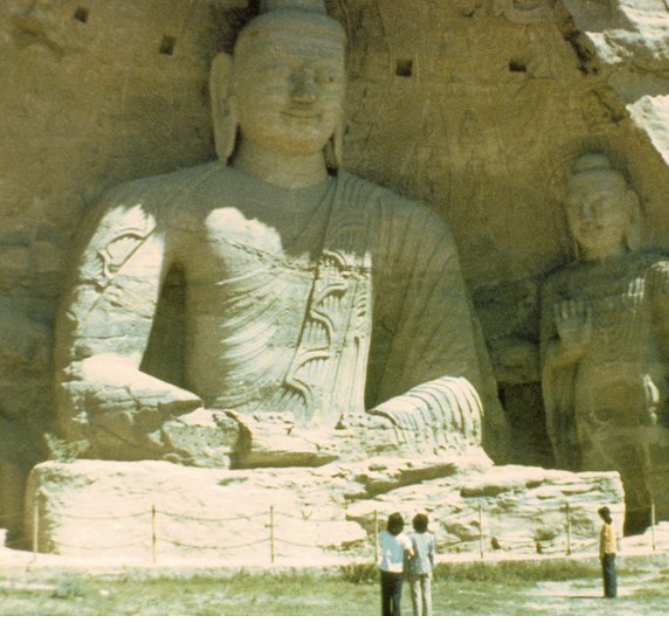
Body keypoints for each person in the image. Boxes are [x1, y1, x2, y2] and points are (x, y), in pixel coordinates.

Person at [53, 0, 504, 465]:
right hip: (213, 457)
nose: (305, 93)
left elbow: (456, 391)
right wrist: (221, 436)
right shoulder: (152, 209)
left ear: (347, 93)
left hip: (347, 459)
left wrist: (369, 435)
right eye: (278, 70)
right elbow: (89, 375)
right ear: (227, 84)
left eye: (326, 77)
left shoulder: (407, 227)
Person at [540, 152, 669, 531]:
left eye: (600, 203)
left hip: (650, 404)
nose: (587, 216)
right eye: (576, 207)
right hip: (593, 413)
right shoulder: (561, 285)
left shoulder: (659, 272)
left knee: (658, 473)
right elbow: (549, 361)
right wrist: (569, 349)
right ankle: (604, 532)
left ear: (629, 208)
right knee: (601, 481)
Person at [379, 512, 414, 615]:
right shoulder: (403, 537)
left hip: (385, 568)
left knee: (386, 597)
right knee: (396, 597)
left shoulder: (382, 535)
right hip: (398, 570)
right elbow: (411, 553)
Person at [406, 513, 436, 616]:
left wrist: (406, 566)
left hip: (414, 567)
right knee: (427, 594)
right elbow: (431, 553)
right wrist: (432, 566)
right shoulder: (430, 536)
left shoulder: (411, 537)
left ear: (414, 525)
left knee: (416, 595)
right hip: (426, 567)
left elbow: (408, 553)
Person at [598, 506, 617, 598]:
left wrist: (601, 553)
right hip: (612, 550)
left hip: (607, 551)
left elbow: (604, 540)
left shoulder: (605, 526)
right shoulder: (613, 524)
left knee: (608, 573)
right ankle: (612, 592)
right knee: (611, 572)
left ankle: (609, 593)